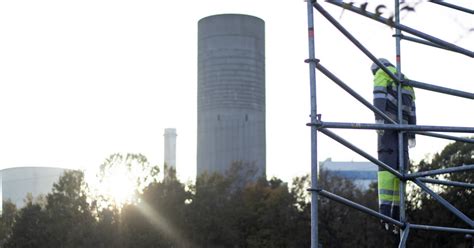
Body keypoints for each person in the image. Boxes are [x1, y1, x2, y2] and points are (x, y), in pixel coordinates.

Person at [371, 58, 416, 232]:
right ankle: (398, 214)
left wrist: (378, 121)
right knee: (401, 171)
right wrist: (412, 133)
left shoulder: (381, 74)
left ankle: (385, 214)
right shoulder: (406, 81)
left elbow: (379, 97)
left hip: (389, 126)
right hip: (403, 130)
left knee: (386, 168)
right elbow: (412, 109)